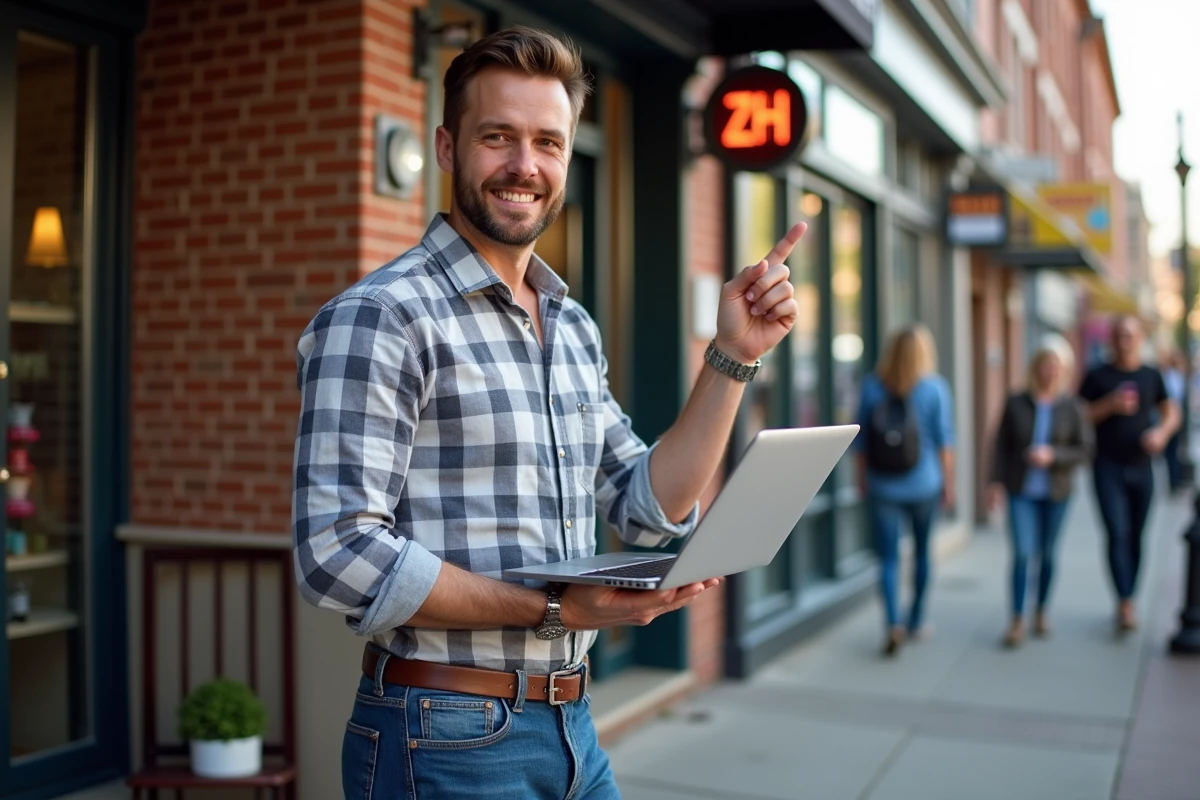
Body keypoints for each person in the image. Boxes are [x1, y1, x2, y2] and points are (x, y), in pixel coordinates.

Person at [292, 27, 807, 799]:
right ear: (445, 147)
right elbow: (337, 553)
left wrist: (732, 357)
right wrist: (556, 609)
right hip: (442, 730)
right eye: (497, 136)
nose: (523, 166)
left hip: (572, 728)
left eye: (547, 142)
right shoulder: (382, 316)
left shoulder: (569, 324)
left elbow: (645, 507)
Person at [856, 324, 956, 657]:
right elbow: (945, 442)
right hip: (925, 482)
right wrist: (949, 483)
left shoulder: (872, 386)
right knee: (923, 553)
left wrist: (862, 480)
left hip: (883, 484)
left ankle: (892, 623)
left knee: (887, 558)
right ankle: (916, 621)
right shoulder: (935, 388)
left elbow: (860, 443)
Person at [1079, 316, 1179, 632]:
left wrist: (1161, 434)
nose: (1126, 341)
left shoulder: (1151, 375)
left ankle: (1130, 594)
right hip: (1106, 467)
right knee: (1117, 533)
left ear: (1139, 339)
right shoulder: (1097, 375)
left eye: (1131, 335)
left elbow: (1171, 411)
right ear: (1111, 339)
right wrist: (1109, 405)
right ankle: (1124, 601)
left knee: (1136, 535)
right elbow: (1078, 416)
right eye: (1120, 335)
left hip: (1142, 467)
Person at [989, 346, 1093, 648]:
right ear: (1035, 367)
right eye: (1046, 364)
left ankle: (1041, 610)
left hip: (1056, 492)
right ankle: (1017, 619)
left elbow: (1085, 450)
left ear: (1065, 370)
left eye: (1057, 366)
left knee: (1047, 554)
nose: (1051, 371)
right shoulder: (1016, 401)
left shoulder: (1072, 406)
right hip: (1021, 490)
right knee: (1022, 553)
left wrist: (1053, 456)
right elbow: (1000, 445)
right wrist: (994, 483)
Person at [1159, 348, 1186, 493]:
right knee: (1172, 452)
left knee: (1174, 452)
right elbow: (1170, 401)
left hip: (1175, 419)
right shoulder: (1171, 377)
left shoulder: (1177, 376)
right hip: (1172, 419)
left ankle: (1175, 480)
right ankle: (1174, 482)